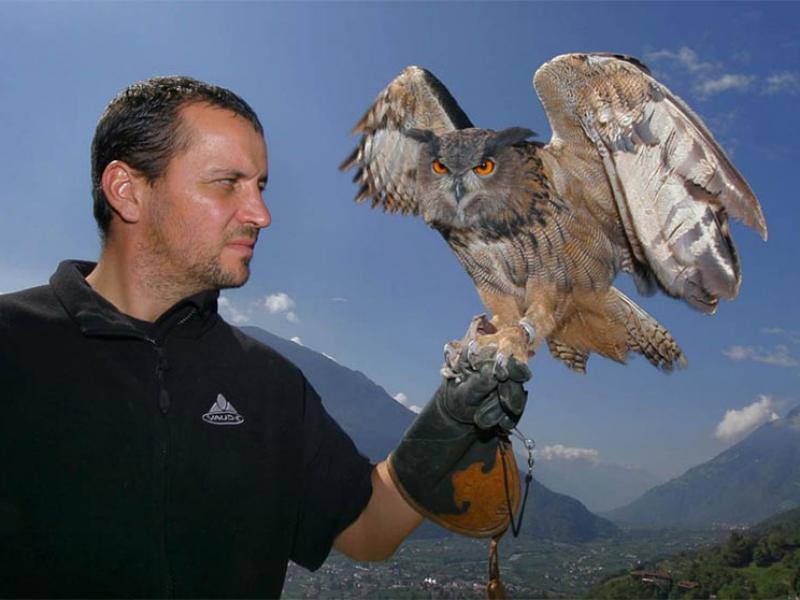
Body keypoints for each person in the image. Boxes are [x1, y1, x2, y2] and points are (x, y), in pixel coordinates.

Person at [0, 76, 529, 598]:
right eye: (227, 182)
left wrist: (451, 423)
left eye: (260, 186)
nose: (262, 214)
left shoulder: (271, 385)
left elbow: (368, 531)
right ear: (128, 191)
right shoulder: (13, 345)